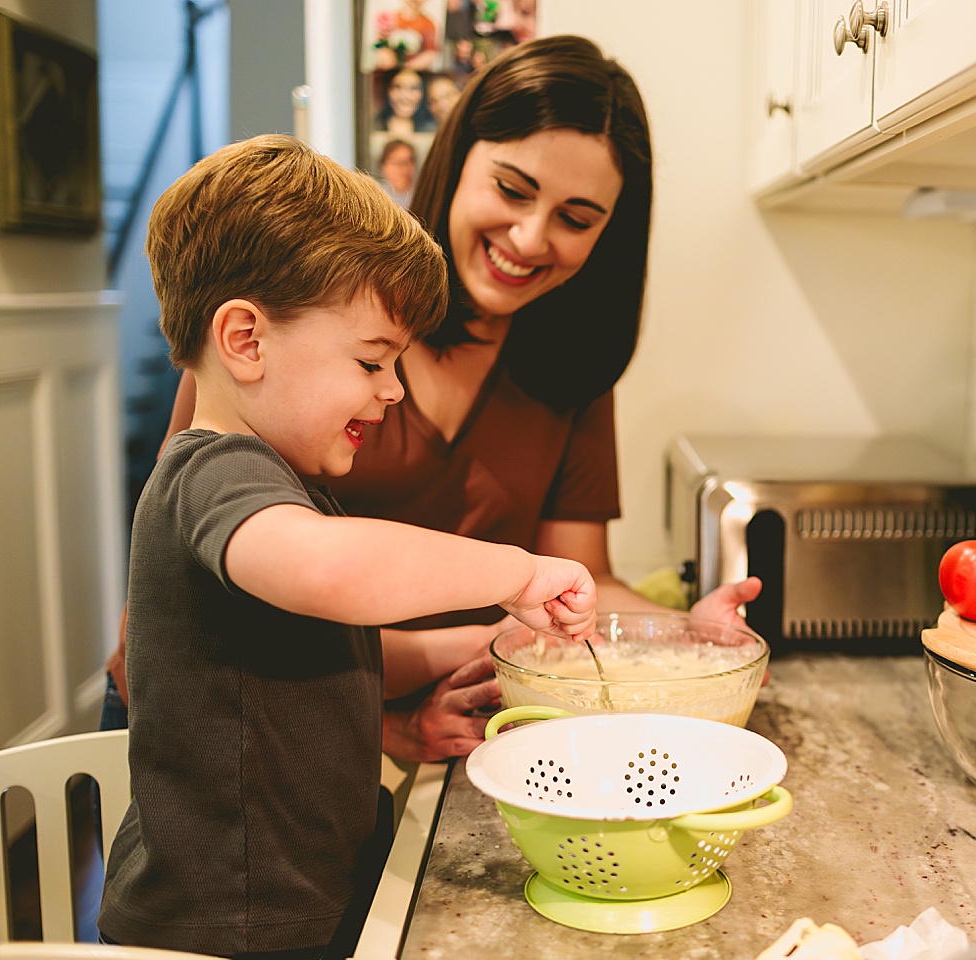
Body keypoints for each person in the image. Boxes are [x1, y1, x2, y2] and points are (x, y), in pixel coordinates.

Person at [103, 35, 760, 761]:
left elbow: (580, 581)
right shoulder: (278, 350)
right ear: (457, 162)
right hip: (277, 752)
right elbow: (186, 630)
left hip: (407, 738)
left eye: (576, 219)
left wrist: (687, 634)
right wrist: (389, 731)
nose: (530, 236)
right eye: (512, 190)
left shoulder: (570, 367)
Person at [96, 134, 598, 959]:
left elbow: (341, 653)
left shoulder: (280, 488)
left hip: (298, 906)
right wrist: (518, 570)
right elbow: (335, 572)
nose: (392, 390)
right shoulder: (213, 475)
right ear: (246, 341)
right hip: (222, 930)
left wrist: (486, 641)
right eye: (372, 360)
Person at [374, 67, 437, 136]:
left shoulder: (432, 131)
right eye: (397, 87)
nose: (405, 96)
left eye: (414, 88)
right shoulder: (372, 126)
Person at [378, 137, 418, 207]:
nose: (403, 168)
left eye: (407, 162)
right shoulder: (376, 196)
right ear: (384, 166)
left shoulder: (424, 194)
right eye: (396, 162)